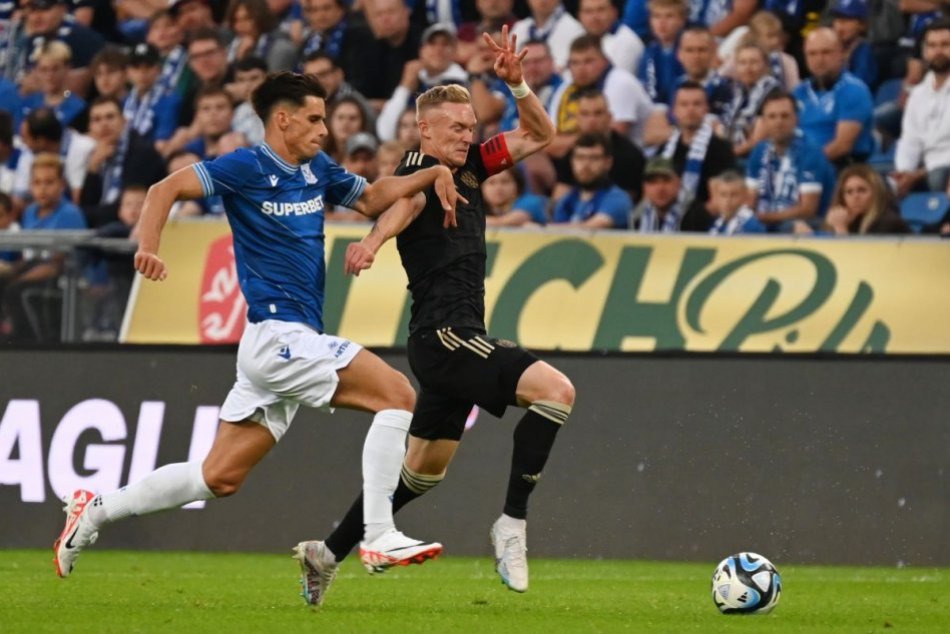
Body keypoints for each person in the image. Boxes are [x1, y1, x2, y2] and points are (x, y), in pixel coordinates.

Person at [53, 72, 465, 588]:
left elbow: (376, 197)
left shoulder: (317, 169)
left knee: (217, 477)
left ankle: (93, 511)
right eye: (313, 119)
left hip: (279, 344)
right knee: (399, 395)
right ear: (283, 120)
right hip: (278, 336)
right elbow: (165, 188)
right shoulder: (245, 166)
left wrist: (431, 173)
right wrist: (149, 246)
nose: (323, 129)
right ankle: (378, 533)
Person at [307, 26, 573, 600]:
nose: (466, 135)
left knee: (422, 474)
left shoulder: (473, 166)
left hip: (452, 339)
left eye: (471, 126)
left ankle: (326, 553)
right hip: (446, 337)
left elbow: (542, 133)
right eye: (456, 127)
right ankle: (512, 525)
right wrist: (374, 242)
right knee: (556, 392)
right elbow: (405, 202)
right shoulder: (416, 169)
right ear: (423, 129)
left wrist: (519, 84)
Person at [746, 90, 836, 232]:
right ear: (763, 121)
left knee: (790, 227)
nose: (779, 122)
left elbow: (807, 210)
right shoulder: (760, 150)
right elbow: (750, 199)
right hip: (765, 221)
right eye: (772, 116)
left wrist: (763, 217)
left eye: (785, 116)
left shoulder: (810, 152)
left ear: (796, 119)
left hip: (805, 226)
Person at [792, 28, 875, 167]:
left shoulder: (853, 90)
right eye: (812, 54)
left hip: (840, 167)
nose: (819, 60)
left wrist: (804, 164)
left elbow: (842, 146)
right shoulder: (799, 92)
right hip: (801, 165)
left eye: (826, 52)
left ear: (841, 54)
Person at [893, 18, 950, 196]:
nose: (938, 51)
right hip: (925, 169)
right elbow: (910, 141)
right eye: (932, 46)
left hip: (943, 169)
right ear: (924, 51)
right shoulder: (918, 94)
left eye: (945, 44)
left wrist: (919, 174)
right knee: (880, 186)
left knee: (938, 177)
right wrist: (904, 172)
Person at [799, 164, 909, 235]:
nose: (855, 197)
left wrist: (840, 227)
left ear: (876, 193)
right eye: (849, 192)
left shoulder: (888, 223)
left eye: (862, 190)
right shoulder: (849, 220)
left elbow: (860, 262)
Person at [551, 133, 631, 228]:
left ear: (608, 163)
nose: (586, 165)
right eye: (580, 158)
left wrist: (540, 230)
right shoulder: (567, 200)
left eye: (594, 158)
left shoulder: (618, 198)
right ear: (572, 162)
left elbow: (591, 229)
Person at [482, 167, 548, 226]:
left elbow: (506, 222)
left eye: (505, 182)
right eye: (491, 183)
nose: (498, 188)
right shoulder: (477, 205)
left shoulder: (531, 202)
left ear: (517, 185)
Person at [707, 170, 766, 235]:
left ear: (744, 196)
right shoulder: (717, 222)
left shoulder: (751, 227)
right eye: (723, 195)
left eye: (733, 195)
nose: (728, 200)